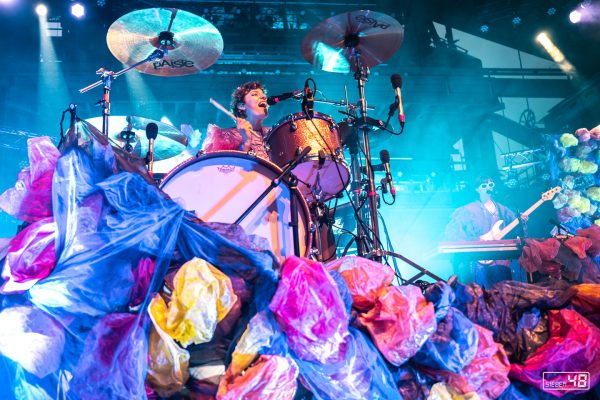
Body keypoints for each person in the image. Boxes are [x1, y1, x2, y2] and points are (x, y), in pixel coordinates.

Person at [443, 175, 523, 287]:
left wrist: (522, 222)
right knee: (481, 289)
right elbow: (453, 233)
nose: (488, 188)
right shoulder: (468, 210)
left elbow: (516, 230)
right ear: (477, 189)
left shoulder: (503, 209)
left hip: (499, 256)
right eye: (484, 185)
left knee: (503, 288)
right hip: (477, 259)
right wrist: (477, 240)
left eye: (491, 185)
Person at [202, 80, 270, 159]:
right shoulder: (227, 137)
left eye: (264, 95)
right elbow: (220, 167)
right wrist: (246, 142)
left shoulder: (274, 133)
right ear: (241, 106)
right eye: (255, 94)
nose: (263, 97)